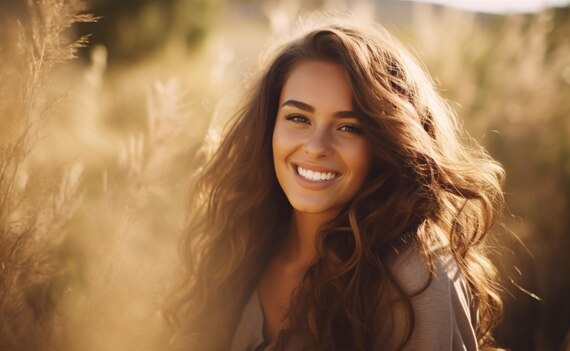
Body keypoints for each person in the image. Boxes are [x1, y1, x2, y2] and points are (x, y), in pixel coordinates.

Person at [165, 17, 505, 351]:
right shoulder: (243, 240)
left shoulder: (417, 274)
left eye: (349, 127)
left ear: (387, 143)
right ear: (269, 126)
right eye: (299, 118)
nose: (316, 146)